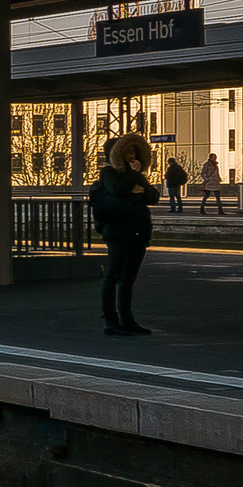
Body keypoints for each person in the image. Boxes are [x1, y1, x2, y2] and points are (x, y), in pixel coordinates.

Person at [93, 134, 159, 336]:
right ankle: (111, 320)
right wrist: (134, 182)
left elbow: (153, 196)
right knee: (113, 275)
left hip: (137, 231)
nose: (132, 155)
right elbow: (119, 190)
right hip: (118, 232)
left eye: (133, 151)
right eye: (127, 151)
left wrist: (137, 183)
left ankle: (127, 318)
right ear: (116, 154)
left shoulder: (136, 175)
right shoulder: (109, 173)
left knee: (129, 277)